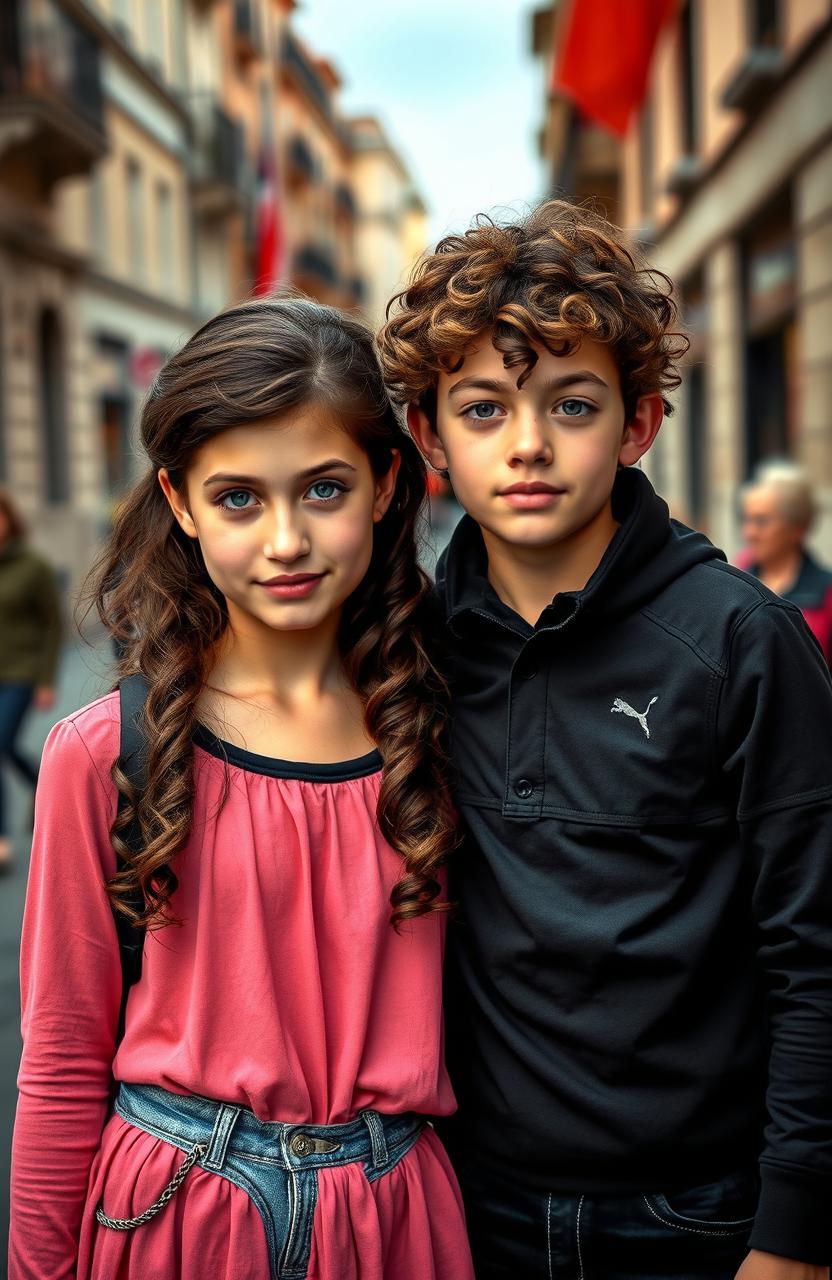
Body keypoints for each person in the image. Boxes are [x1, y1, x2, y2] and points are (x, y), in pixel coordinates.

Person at [377, 201, 832, 1280]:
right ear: (433, 440)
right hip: (467, 1197)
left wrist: (795, 1232)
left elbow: (816, 951)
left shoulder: (741, 641)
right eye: (483, 409)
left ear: (636, 424)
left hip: (696, 1213)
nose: (527, 443)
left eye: (569, 404)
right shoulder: (413, 647)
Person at [9, 297, 474, 1280]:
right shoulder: (102, 752)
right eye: (237, 499)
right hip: (177, 1211)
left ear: (388, 483)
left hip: (397, 1220)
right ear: (179, 502)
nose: (285, 541)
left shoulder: (446, 727)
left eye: (322, 489)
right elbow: (58, 1059)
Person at [0, 487, 61, 871]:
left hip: (22, 671)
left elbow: (53, 625)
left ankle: (1, 839)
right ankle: (44, 783)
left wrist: (46, 680)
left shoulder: (33, 565)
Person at [740, 458, 832, 663]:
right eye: (746, 519)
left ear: (798, 527)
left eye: (761, 521)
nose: (749, 532)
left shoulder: (826, 594)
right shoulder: (735, 582)